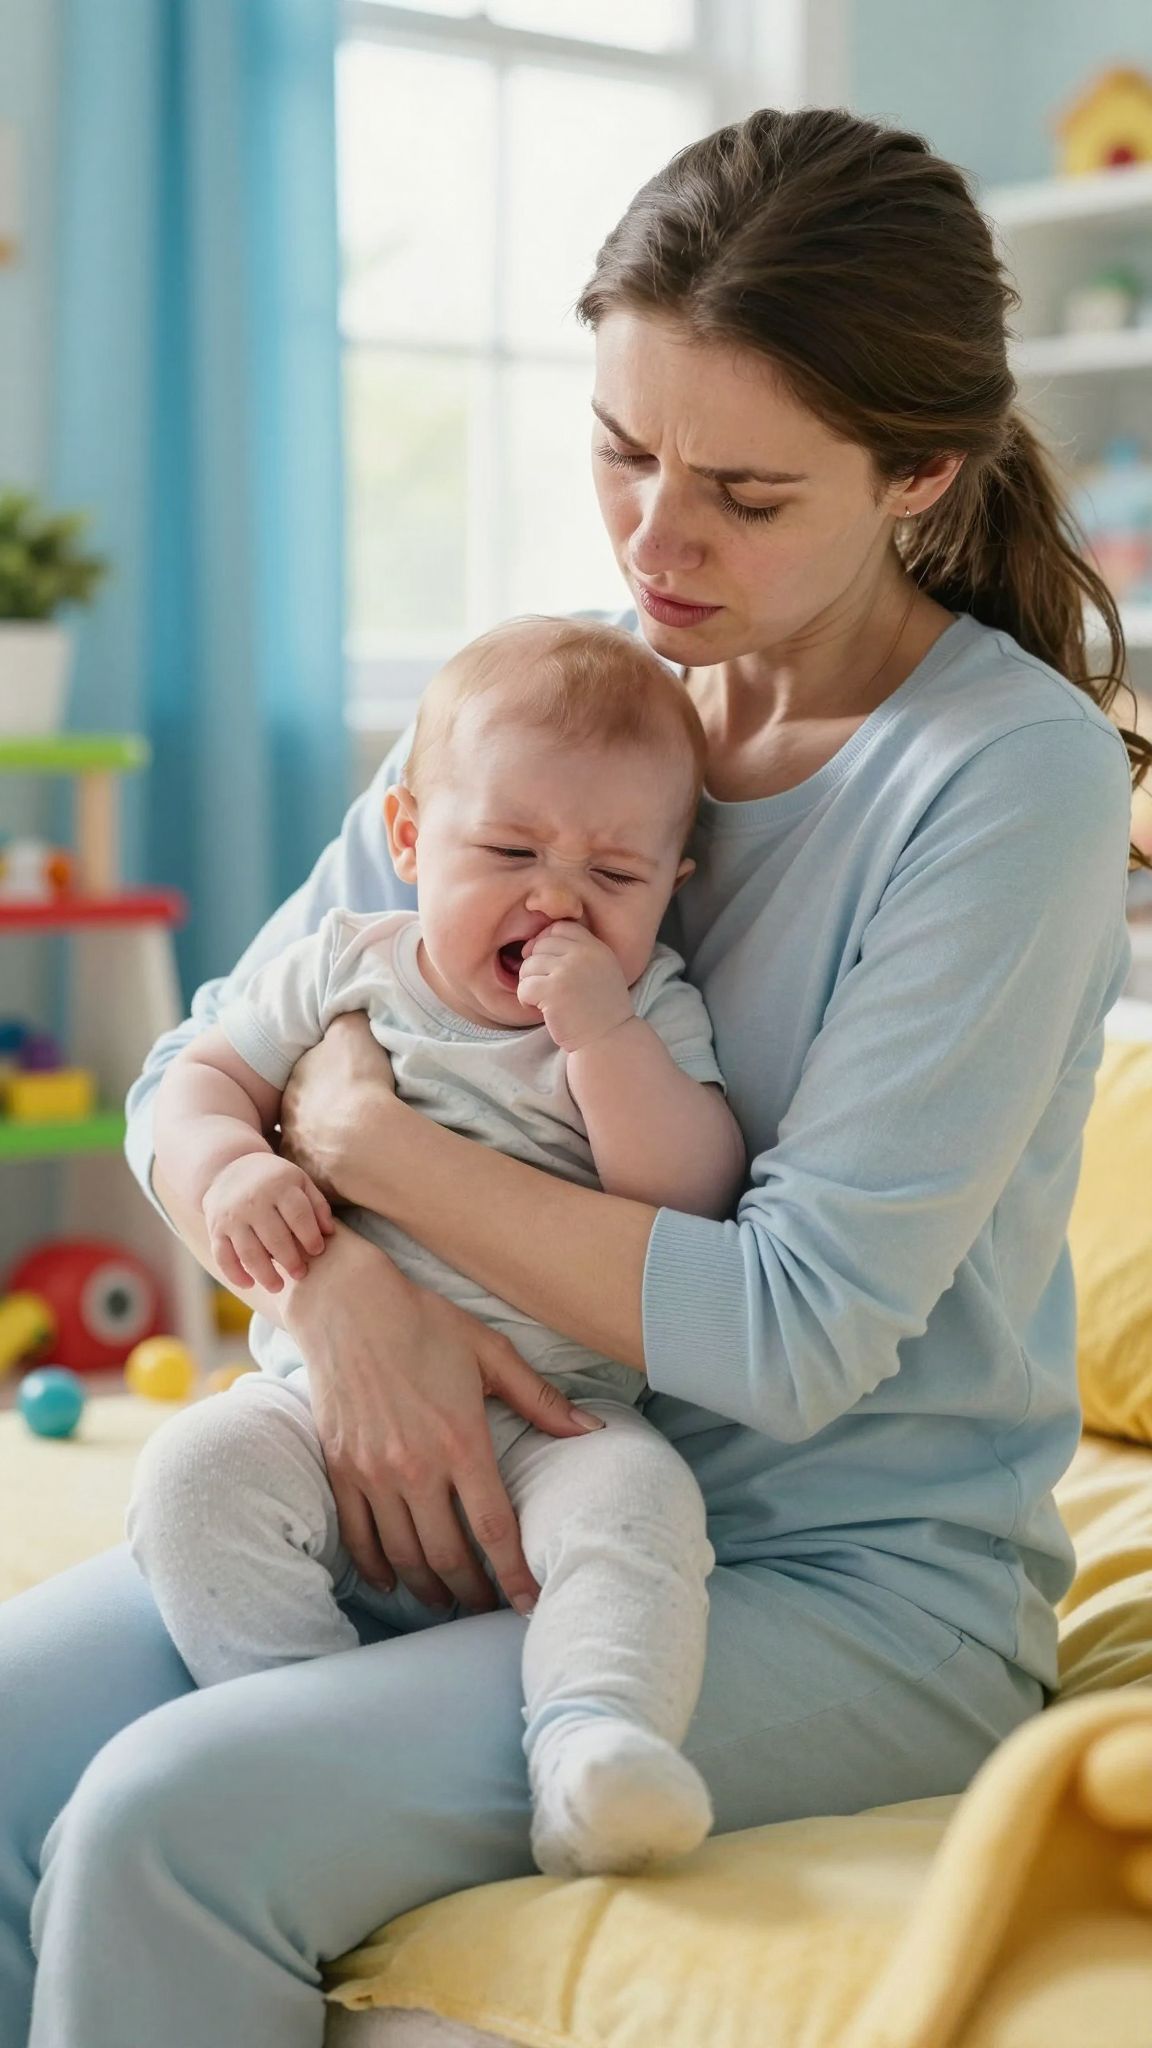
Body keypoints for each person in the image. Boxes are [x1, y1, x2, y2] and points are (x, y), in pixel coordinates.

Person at [1, 105, 1145, 2048]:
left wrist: (366, 1147)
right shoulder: (574, 703)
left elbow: (790, 1332)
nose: (653, 541)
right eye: (621, 452)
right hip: (448, 1502)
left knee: (171, 1822)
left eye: (743, 494)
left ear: (917, 474)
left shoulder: (1001, 776)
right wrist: (343, 1288)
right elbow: (209, 1057)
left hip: (835, 1587)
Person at [127, 615, 745, 1880]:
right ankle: (296, 1711)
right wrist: (236, 1163)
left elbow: (688, 1190)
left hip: (555, 1419)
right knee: (194, 1469)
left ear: (674, 880)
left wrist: (602, 1041)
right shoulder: (345, 963)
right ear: (409, 838)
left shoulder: (649, 1009)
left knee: (641, 1510)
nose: (557, 898)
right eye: (510, 850)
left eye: (615, 877)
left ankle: (590, 1747)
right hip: (322, 1402)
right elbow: (198, 1083)